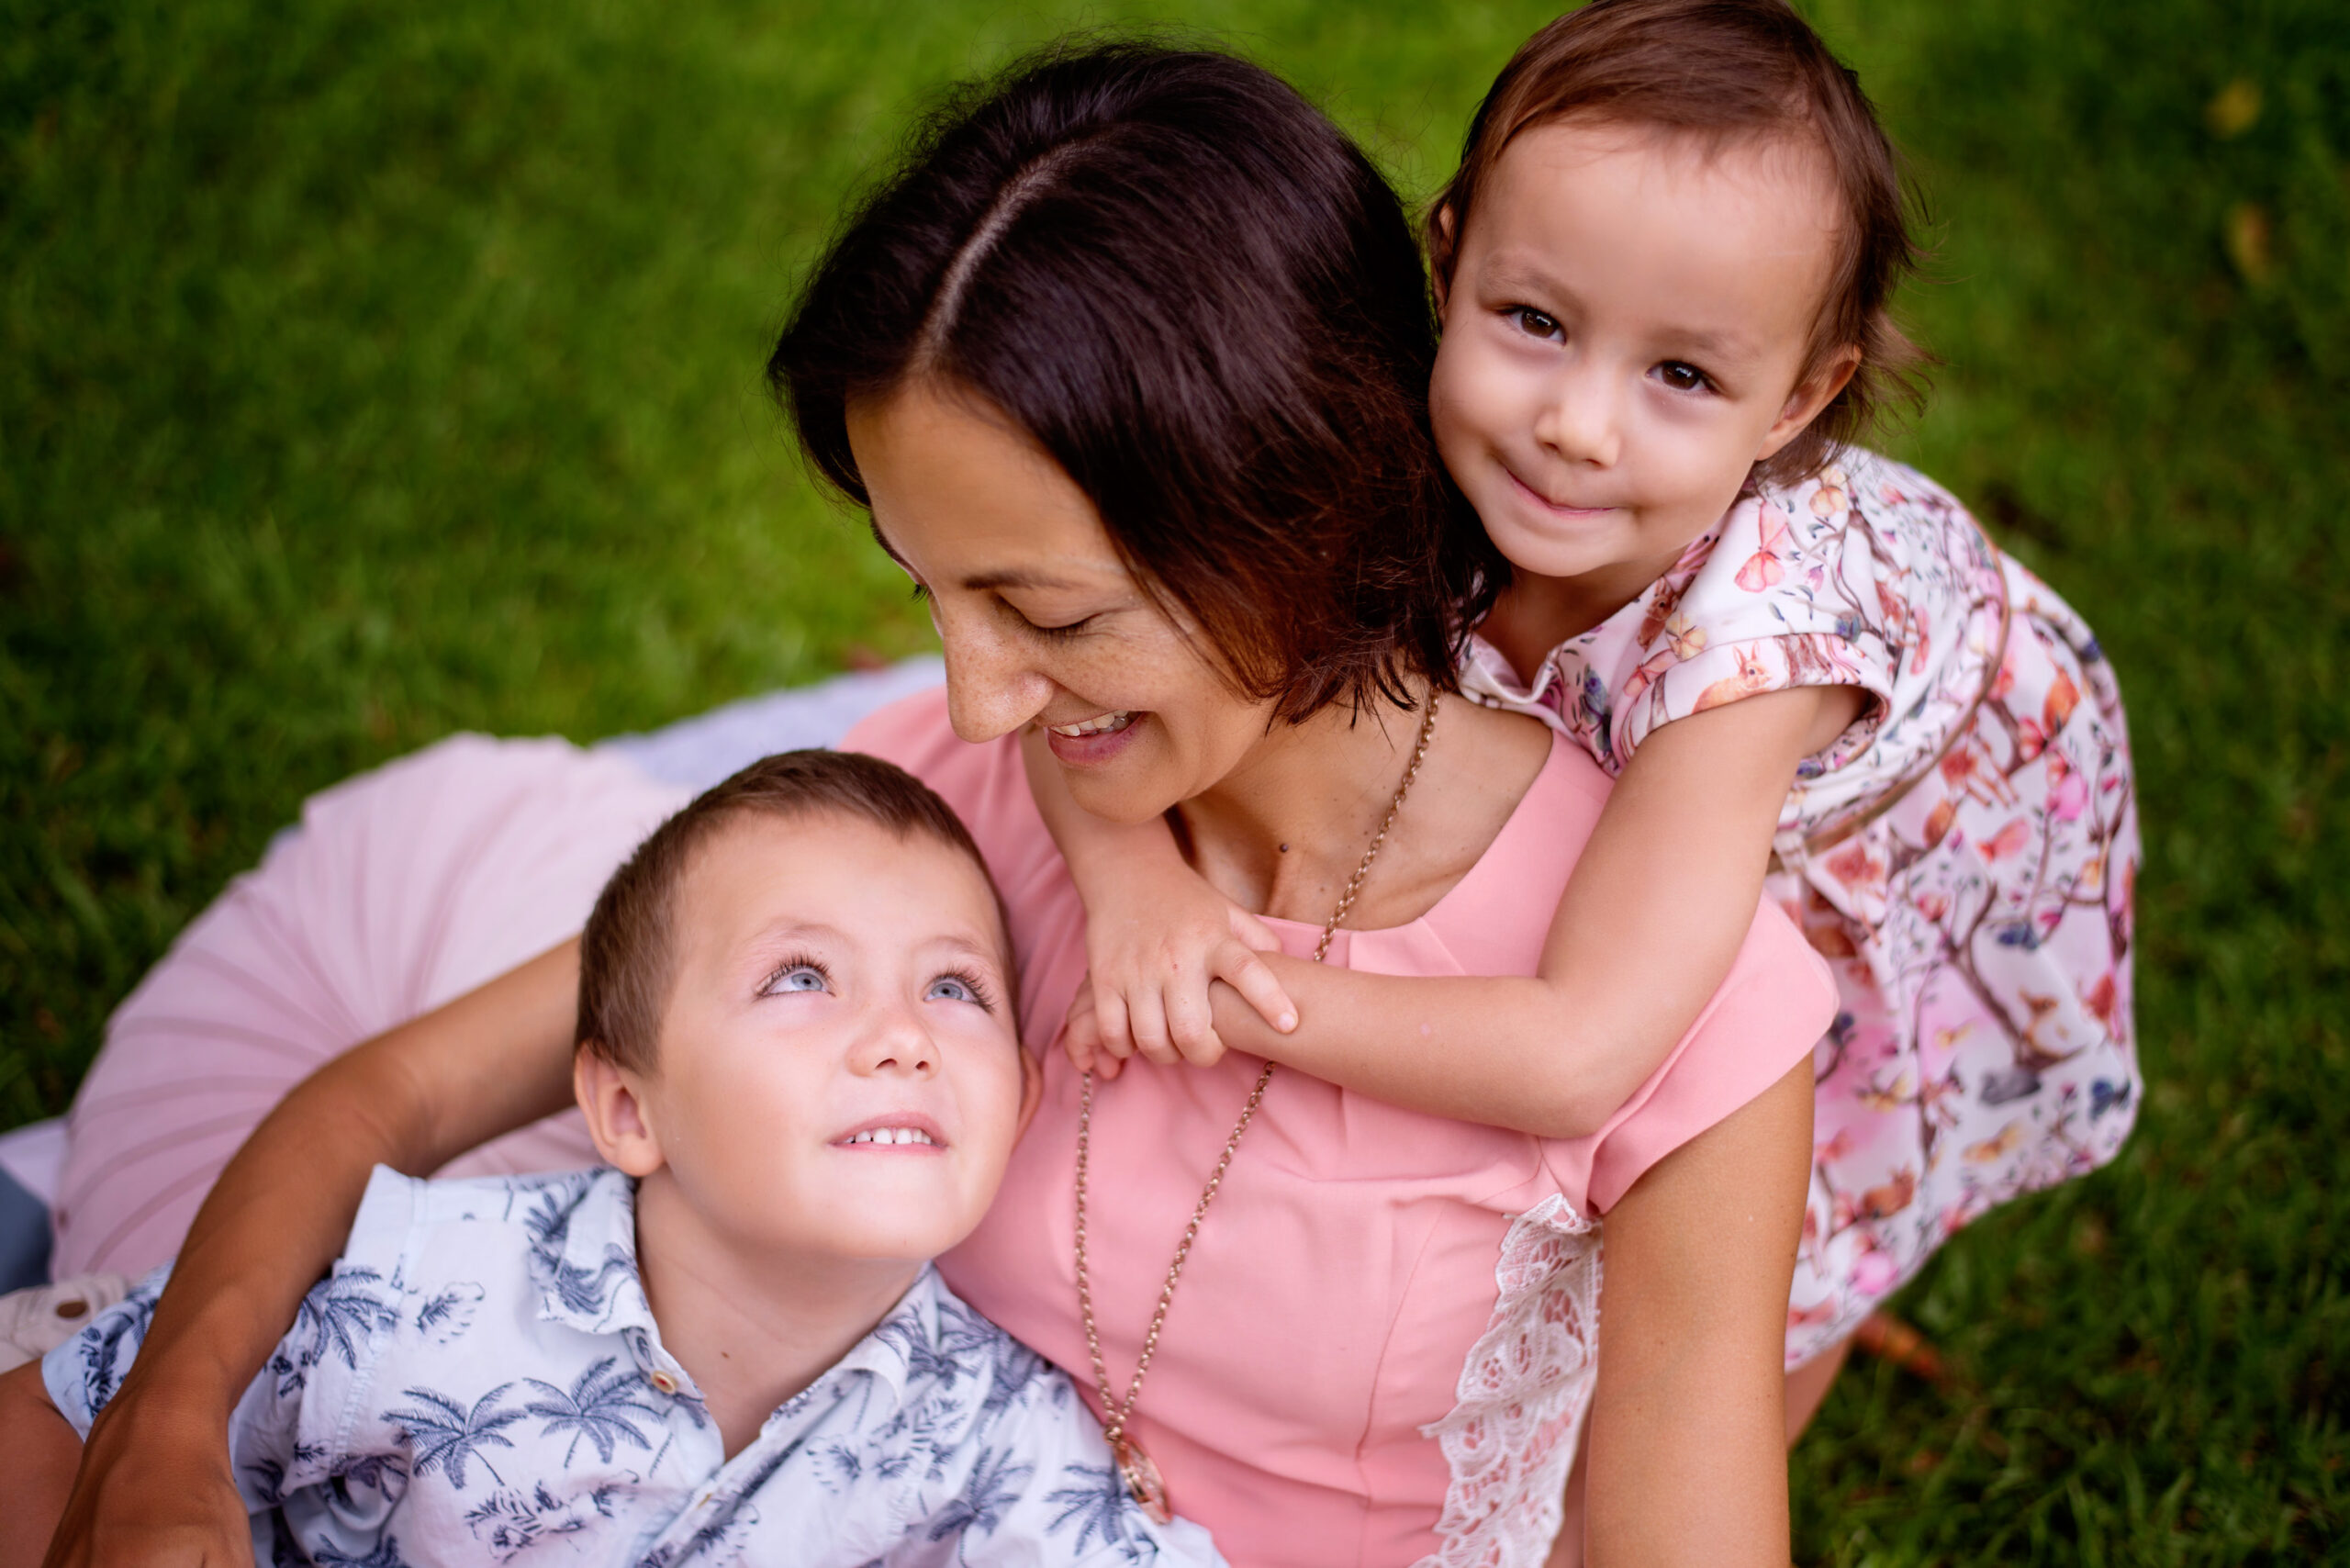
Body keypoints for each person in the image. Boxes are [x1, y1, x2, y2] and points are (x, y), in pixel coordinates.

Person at [38, 43, 1834, 1568]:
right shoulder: (945, 808)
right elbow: (410, 1084)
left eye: (1044, 617)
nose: (978, 699)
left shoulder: (1672, 1001)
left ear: (1301, 511)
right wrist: (170, 1421)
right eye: (931, 591)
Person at [1035, 0, 2142, 1395]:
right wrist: (1138, 891)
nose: (1577, 423)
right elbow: (1060, 691)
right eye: (1535, 319)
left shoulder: (1755, 653)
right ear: (1452, 257)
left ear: (1801, 398)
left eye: (1683, 373)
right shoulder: (1448, 438)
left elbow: (1579, 1055)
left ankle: (1754, 1406)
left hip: (1915, 827)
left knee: (1780, 1221)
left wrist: (1229, 986)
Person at [1, 751, 1225, 1568]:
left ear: (1019, 1105)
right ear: (630, 1111)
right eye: (802, 978)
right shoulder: (427, 1292)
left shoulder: (996, 1426)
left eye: (955, 988)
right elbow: (58, 1426)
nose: (902, 1037)